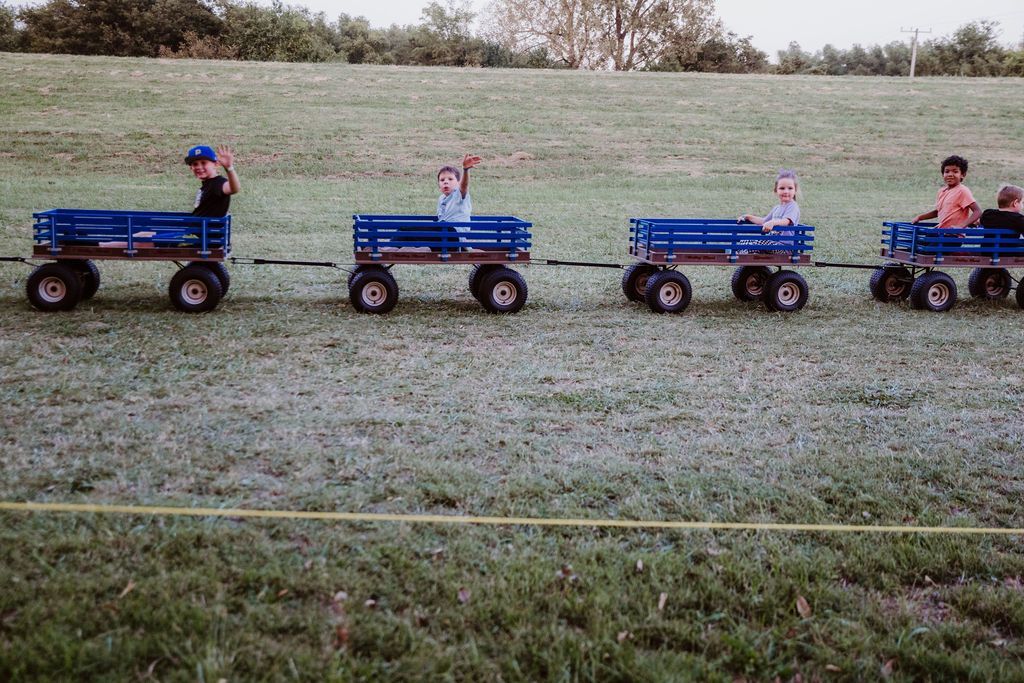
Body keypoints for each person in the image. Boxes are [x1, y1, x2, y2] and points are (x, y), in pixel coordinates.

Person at [737, 169, 801, 253]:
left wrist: (773, 223)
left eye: (790, 188)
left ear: (795, 190)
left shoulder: (793, 206)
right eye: (782, 188)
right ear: (776, 191)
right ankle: (746, 257)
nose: (786, 191)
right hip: (773, 243)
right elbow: (763, 221)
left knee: (759, 243)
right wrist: (748, 217)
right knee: (743, 242)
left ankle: (744, 255)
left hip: (785, 247)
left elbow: (787, 221)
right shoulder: (777, 208)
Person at [911, 155, 980, 229]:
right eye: (947, 171)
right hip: (941, 232)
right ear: (943, 174)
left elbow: (977, 212)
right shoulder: (941, 191)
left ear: (962, 175)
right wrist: (920, 217)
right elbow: (938, 212)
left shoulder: (962, 191)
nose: (950, 174)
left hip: (954, 235)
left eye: (955, 171)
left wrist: (961, 226)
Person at [185, 144, 240, 217]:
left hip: (205, 228)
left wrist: (229, 168)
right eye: (195, 164)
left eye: (203, 163)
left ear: (216, 164)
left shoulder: (218, 183)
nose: (199, 167)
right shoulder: (207, 184)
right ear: (191, 168)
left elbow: (233, 189)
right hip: (198, 226)